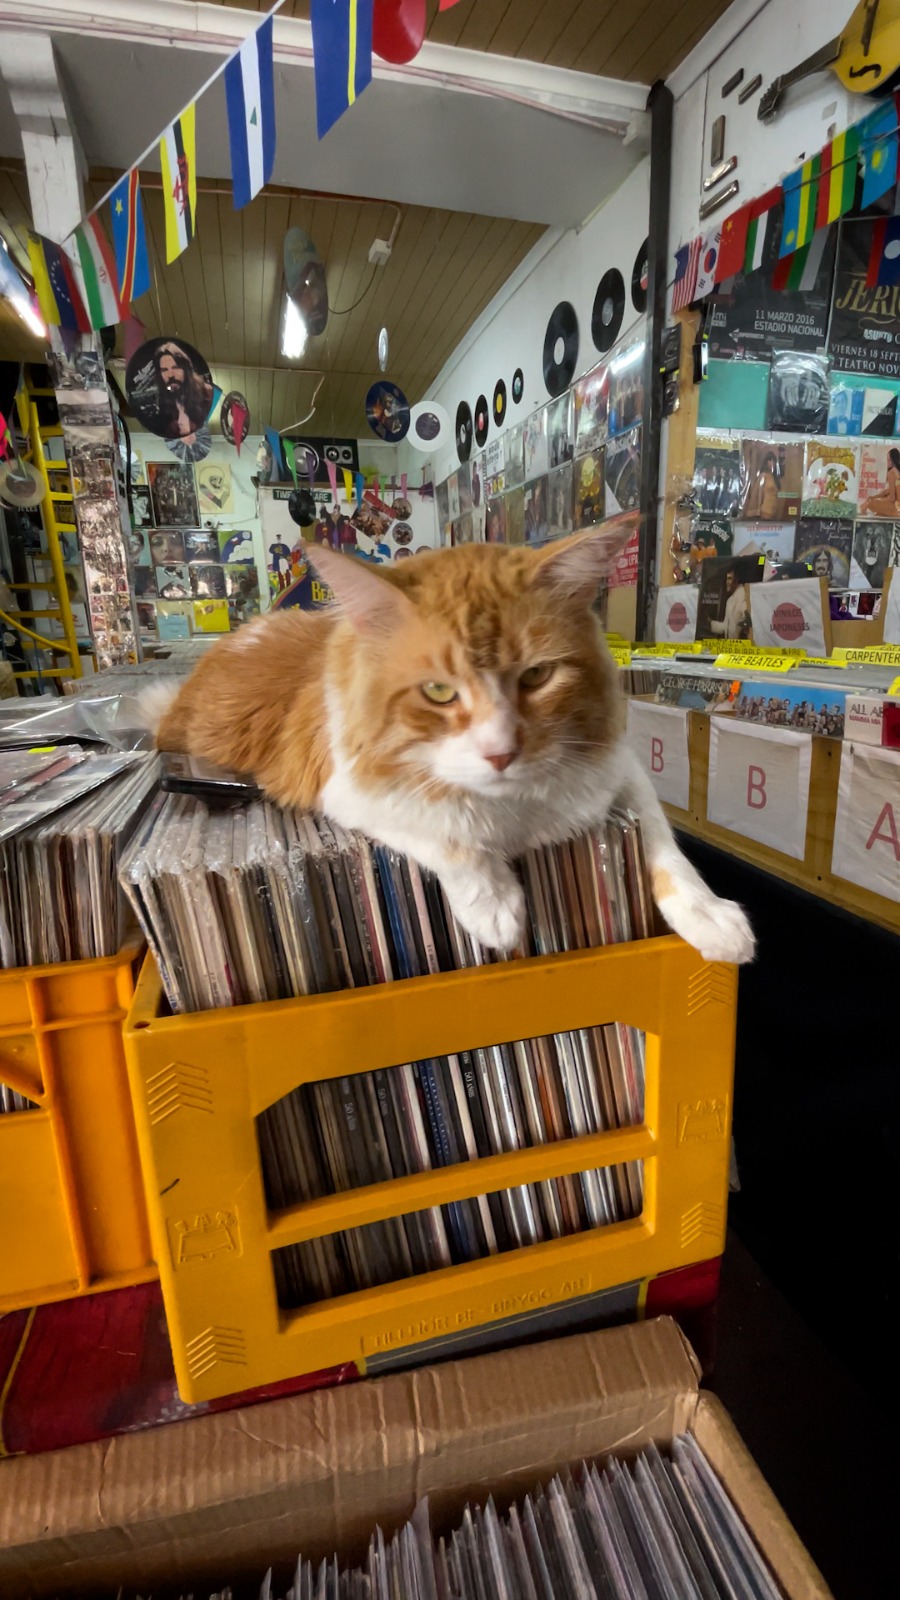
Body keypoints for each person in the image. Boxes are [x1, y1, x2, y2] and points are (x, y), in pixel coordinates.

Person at [152, 342, 214, 439]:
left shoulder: (205, 393)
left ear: (186, 369)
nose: (170, 375)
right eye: (164, 370)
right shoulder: (160, 403)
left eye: (175, 367)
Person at [709, 566, 750, 639]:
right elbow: (726, 627)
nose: (727, 582)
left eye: (730, 578)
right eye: (727, 579)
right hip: (731, 643)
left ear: (737, 579)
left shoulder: (743, 595)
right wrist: (709, 623)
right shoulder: (730, 600)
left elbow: (747, 620)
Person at [862, 447, 900, 516]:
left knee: (867, 504)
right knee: (877, 513)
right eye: (887, 459)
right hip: (896, 508)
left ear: (894, 460)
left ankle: (862, 519)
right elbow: (887, 491)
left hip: (895, 509)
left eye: (889, 460)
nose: (887, 462)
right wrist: (874, 497)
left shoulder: (891, 473)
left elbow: (892, 498)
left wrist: (879, 500)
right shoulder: (897, 473)